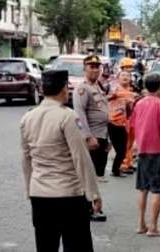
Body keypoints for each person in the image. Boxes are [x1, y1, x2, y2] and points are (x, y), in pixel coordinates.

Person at [20, 70, 102, 252]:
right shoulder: (68, 116)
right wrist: (93, 193)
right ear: (64, 89)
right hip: (69, 196)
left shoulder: (27, 118)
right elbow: (81, 157)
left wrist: (30, 189)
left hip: (40, 196)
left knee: (45, 246)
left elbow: (26, 159)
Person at [129, 73, 160, 236]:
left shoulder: (139, 104)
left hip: (142, 150)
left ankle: (141, 224)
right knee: (157, 189)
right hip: (156, 151)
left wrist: (133, 146)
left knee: (143, 189)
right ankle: (153, 227)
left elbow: (134, 127)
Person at [73, 55, 110, 221]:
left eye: (97, 66)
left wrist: (106, 139)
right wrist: (88, 136)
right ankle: (87, 208)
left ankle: (90, 205)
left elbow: (104, 112)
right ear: (84, 69)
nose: (95, 69)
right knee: (87, 175)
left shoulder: (98, 87)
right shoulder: (82, 89)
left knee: (95, 175)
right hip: (92, 137)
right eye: (91, 66)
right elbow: (79, 115)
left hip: (101, 136)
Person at [107, 70, 136, 177]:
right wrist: (112, 96)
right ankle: (118, 168)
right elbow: (104, 99)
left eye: (127, 75)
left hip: (125, 123)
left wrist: (130, 105)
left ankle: (121, 167)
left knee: (126, 147)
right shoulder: (114, 90)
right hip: (113, 122)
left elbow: (130, 111)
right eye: (123, 75)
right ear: (118, 78)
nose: (125, 77)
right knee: (120, 149)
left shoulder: (131, 92)